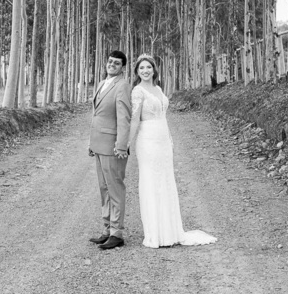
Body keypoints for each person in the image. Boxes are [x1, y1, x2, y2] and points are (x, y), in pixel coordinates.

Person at [126, 53, 217, 248]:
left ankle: (170, 230)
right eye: (141, 68)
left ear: (154, 69)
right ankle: (155, 233)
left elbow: (164, 116)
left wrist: (169, 138)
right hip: (147, 140)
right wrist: (126, 142)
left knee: (166, 181)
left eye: (148, 67)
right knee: (150, 181)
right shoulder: (137, 91)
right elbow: (134, 119)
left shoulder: (158, 88)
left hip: (163, 141)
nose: (145, 71)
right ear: (136, 72)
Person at [88, 50, 132, 250]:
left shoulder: (122, 86)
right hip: (99, 144)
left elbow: (124, 118)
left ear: (122, 67)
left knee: (115, 188)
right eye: (110, 62)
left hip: (113, 147)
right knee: (103, 188)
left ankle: (117, 232)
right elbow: (97, 116)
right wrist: (91, 143)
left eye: (116, 63)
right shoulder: (102, 83)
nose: (112, 65)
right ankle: (107, 228)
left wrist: (121, 145)